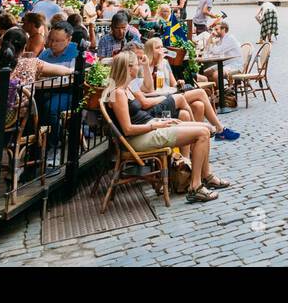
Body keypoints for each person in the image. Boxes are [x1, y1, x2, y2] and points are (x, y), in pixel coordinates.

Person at [102, 51, 230, 204]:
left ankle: (206, 177)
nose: (138, 68)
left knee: (206, 128)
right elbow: (128, 129)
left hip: (150, 127)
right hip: (139, 138)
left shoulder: (125, 89)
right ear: (129, 68)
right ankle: (196, 187)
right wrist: (156, 125)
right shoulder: (118, 93)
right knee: (202, 133)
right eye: (136, 65)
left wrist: (158, 121)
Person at [136, 37, 239, 141]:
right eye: (157, 48)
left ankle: (197, 142)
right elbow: (148, 90)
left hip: (170, 94)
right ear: (150, 51)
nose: (161, 50)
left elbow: (173, 85)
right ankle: (219, 129)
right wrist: (156, 66)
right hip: (159, 99)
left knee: (199, 105)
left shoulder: (165, 63)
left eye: (162, 47)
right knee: (200, 93)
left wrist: (179, 83)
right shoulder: (144, 67)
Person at [199, 19, 245, 87]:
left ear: (223, 29)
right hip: (225, 64)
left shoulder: (229, 39)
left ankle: (222, 94)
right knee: (205, 73)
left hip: (235, 66)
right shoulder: (220, 40)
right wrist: (210, 37)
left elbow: (217, 52)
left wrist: (212, 42)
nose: (214, 32)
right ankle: (213, 91)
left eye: (216, 29)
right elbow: (208, 52)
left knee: (216, 75)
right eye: (214, 29)